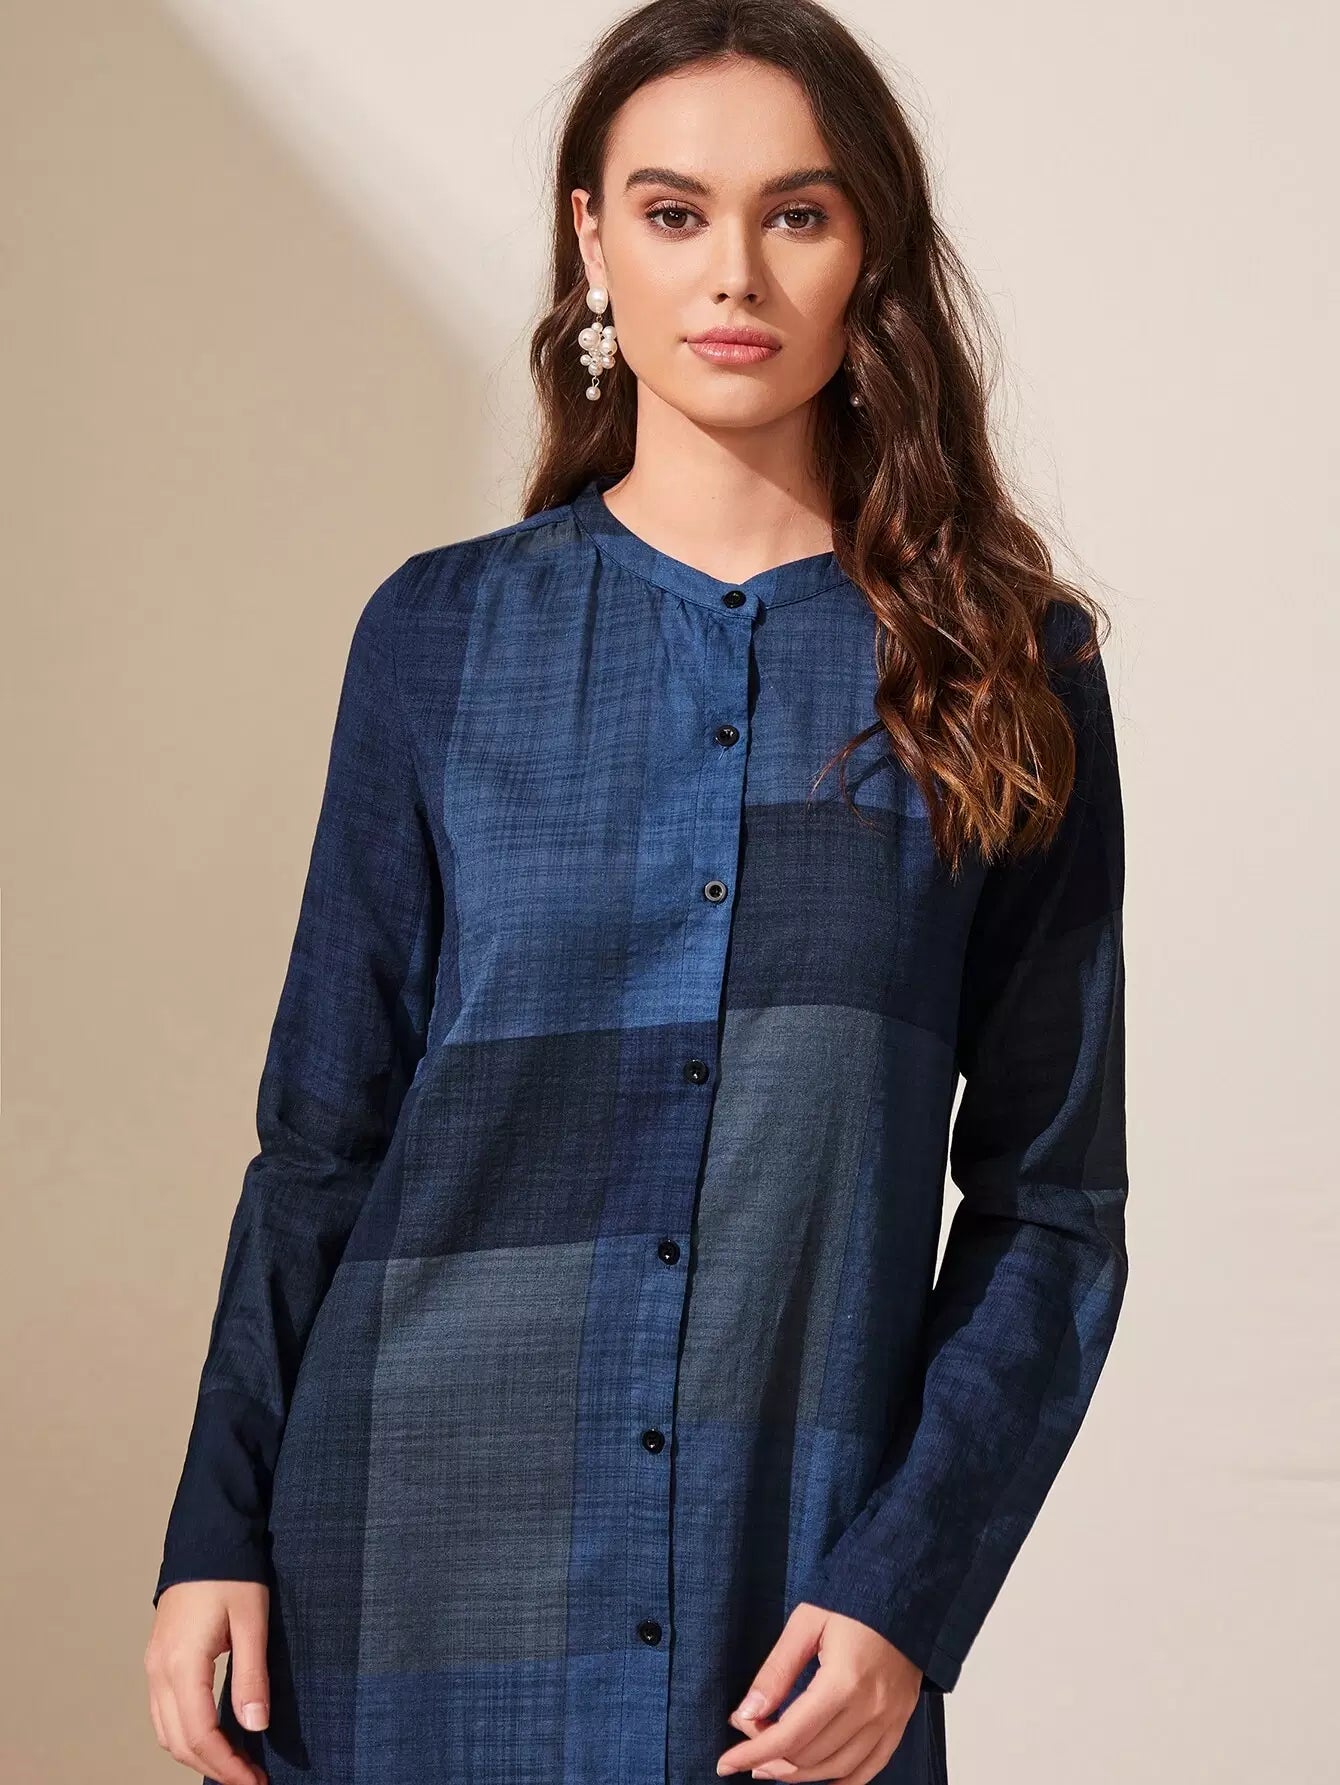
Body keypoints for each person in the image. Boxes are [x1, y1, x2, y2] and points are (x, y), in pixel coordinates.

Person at [143, 3, 1129, 1782]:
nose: (734, 271)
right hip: (406, 1576)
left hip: (787, 1613)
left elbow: (1051, 1204)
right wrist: (214, 1523)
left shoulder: (1007, 669)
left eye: (797, 213)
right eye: (675, 213)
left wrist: (908, 1587)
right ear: (593, 241)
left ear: (870, 248)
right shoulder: (438, 638)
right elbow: (320, 1143)